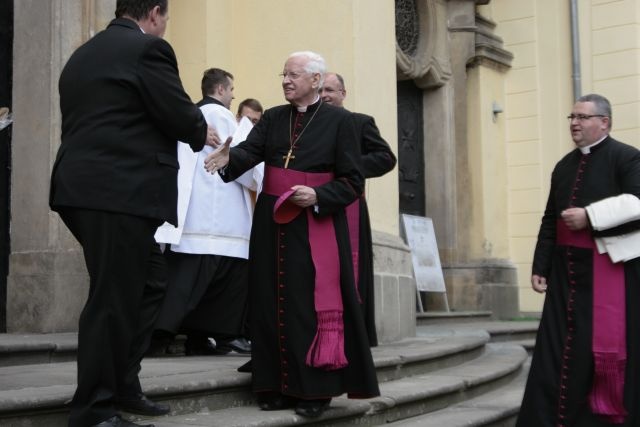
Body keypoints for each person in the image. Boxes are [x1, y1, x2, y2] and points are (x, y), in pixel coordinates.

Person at [49, 1, 219, 426]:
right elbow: (177, 112)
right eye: (166, 21)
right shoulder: (148, 50)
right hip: (118, 192)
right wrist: (200, 129)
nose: (164, 29)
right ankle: (93, 408)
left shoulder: (83, 55)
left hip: (84, 187)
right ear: (155, 13)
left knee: (148, 285)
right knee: (112, 297)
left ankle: (123, 384)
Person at [204, 51, 380, 418]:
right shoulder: (272, 117)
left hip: (314, 222)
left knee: (306, 305)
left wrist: (319, 195)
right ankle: (273, 384)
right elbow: (251, 152)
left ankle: (314, 391)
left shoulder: (340, 122)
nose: (286, 80)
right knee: (269, 299)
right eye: (283, 74)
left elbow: (352, 181)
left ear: (316, 80)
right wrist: (228, 158)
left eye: (294, 75)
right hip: (271, 222)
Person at [516, 94, 640, 426]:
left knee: (594, 350)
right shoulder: (563, 166)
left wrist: (591, 215)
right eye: (572, 116)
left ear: (605, 122)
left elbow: (638, 201)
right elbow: (550, 219)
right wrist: (540, 265)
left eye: (583, 117)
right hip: (564, 276)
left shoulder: (627, 157)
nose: (575, 122)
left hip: (607, 273)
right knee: (556, 350)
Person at [153, 68, 260, 357]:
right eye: (232, 89)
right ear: (221, 90)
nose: (234, 95)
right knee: (224, 278)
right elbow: (240, 160)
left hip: (193, 213)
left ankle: (193, 337)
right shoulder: (222, 116)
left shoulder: (188, 117)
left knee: (186, 281)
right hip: (220, 215)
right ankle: (223, 335)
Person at [320, 72, 396, 347]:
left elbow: (386, 158)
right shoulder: (310, 125)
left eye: (330, 89)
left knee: (350, 268)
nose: (325, 95)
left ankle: (354, 334)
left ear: (343, 93)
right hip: (315, 204)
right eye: (321, 90)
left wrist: (349, 166)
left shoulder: (358, 122)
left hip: (348, 204)